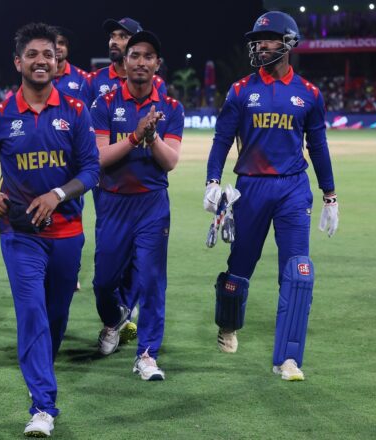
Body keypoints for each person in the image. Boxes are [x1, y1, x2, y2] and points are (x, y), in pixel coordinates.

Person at [0, 23, 99, 437]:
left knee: (55, 316)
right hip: (19, 232)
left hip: (67, 232)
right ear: (18, 62)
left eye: (48, 54)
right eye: (32, 54)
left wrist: (57, 195)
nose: (41, 61)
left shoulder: (76, 111)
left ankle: (41, 366)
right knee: (31, 312)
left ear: (58, 61)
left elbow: (91, 170)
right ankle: (43, 406)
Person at [204, 11, 338, 381]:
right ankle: (228, 323)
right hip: (250, 187)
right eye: (257, 41)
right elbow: (222, 139)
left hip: (293, 189)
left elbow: (318, 146)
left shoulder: (309, 94)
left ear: (288, 42)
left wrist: (330, 195)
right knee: (239, 268)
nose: (260, 46)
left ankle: (288, 359)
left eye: (268, 39)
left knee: (297, 273)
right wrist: (212, 181)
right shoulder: (240, 90)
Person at [89, 31, 183, 381]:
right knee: (103, 283)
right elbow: (99, 157)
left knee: (153, 281)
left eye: (148, 56)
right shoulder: (104, 104)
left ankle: (147, 354)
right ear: (124, 62)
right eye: (135, 55)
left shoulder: (171, 107)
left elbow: (170, 161)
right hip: (113, 203)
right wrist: (134, 137)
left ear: (157, 64)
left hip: (152, 205)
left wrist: (152, 136)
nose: (141, 62)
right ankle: (114, 319)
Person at [80, 17, 166, 107]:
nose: (114, 42)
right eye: (112, 36)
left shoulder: (156, 83)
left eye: (123, 36)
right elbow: (81, 115)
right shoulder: (92, 79)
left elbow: (160, 114)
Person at [51, 27, 88, 99]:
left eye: (61, 43)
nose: (57, 47)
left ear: (67, 48)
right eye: (52, 43)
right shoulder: (36, 75)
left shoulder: (84, 78)